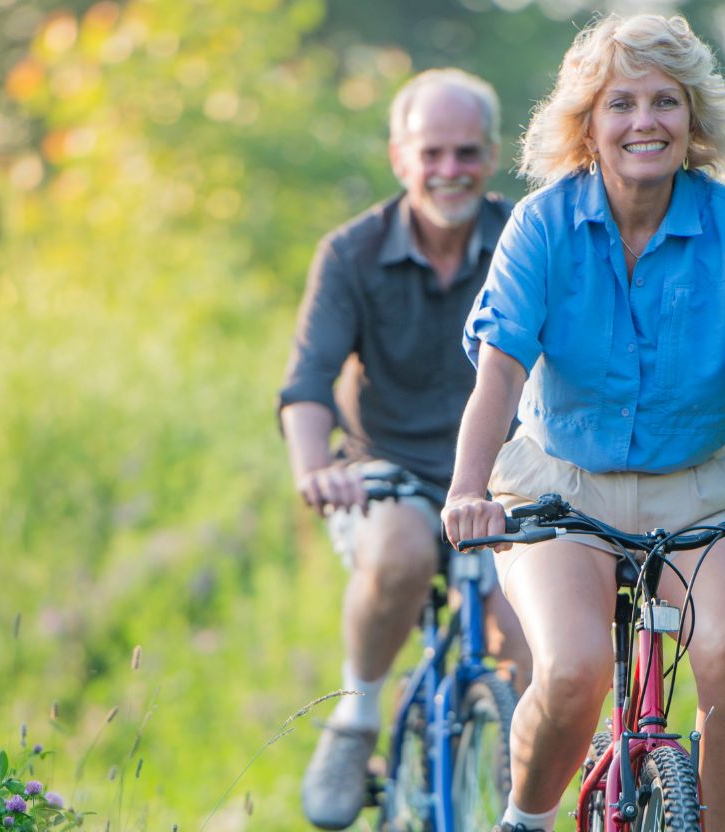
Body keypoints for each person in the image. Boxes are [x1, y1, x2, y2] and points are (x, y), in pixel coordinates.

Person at [440, 14, 725, 832]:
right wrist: (466, 490)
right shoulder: (543, 226)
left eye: (665, 101)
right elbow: (501, 369)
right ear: (588, 126)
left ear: (693, 121)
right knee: (570, 672)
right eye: (621, 103)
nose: (644, 122)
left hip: (702, 491)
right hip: (563, 489)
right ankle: (524, 821)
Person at [279, 68, 531, 830]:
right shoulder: (350, 253)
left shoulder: (530, 237)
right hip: (387, 468)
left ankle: (518, 767)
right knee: (398, 553)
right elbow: (309, 382)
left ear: (490, 156)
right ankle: (356, 720)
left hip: (505, 471)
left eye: (465, 153)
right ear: (400, 157)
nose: (447, 171)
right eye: (431, 153)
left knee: (531, 628)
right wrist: (313, 468)